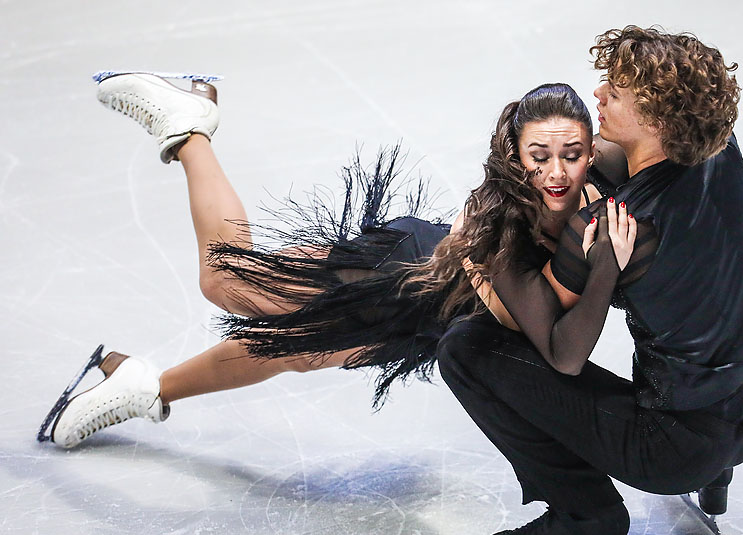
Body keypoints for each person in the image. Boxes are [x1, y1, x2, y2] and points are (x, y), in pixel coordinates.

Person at [39, 76, 636, 449]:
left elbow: (647, 145)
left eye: (573, 154)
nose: (557, 172)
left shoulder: (598, 178)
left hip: (430, 322)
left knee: (293, 351)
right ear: (515, 153)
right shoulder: (502, 223)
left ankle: (146, 387)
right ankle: (190, 126)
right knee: (226, 281)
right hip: (401, 273)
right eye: (539, 155)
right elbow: (555, 342)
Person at [436, 25, 743, 535]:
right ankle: (716, 477)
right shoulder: (717, 146)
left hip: (673, 450)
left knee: (466, 349)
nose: (598, 95)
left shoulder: (609, 228)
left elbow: (562, 354)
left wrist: (583, 263)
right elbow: (608, 157)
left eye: (616, 89)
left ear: (656, 119)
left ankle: (585, 516)